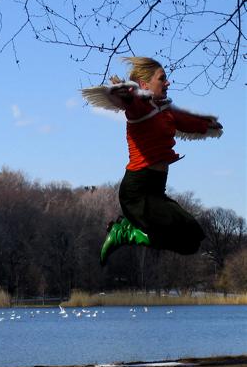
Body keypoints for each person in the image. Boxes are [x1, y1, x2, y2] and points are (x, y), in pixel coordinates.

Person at [83, 57, 223, 266]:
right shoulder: (140, 108)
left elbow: (186, 121)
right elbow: (131, 104)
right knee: (171, 232)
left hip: (156, 191)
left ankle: (129, 229)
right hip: (137, 192)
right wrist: (125, 94)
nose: (168, 83)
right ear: (145, 85)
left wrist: (207, 125)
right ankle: (125, 234)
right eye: (162, 79)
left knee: (192, 239)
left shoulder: (166, 112)